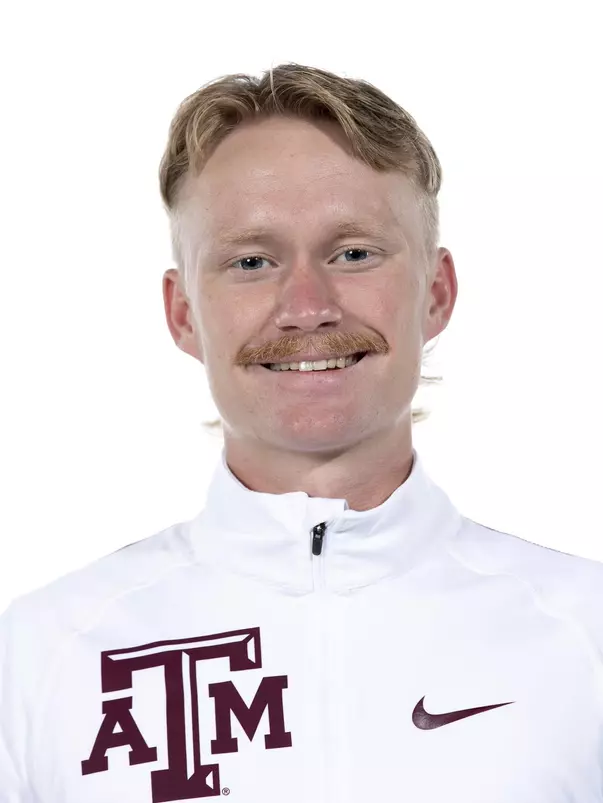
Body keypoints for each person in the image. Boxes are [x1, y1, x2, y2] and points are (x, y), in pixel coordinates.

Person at [1, 63, 602, 803]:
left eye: (352, 252)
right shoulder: (38, 657)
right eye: (251, 261)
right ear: (183, 312)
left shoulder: (585, 634)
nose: (307, 306)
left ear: (437, 292)